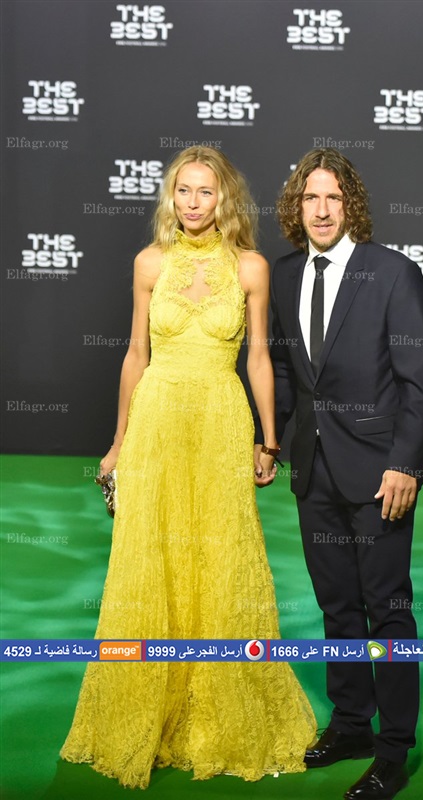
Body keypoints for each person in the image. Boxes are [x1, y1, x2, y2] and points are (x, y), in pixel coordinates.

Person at [60, 146, 316, 789]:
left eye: (205, 191)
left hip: (221, 423)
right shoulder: (150, 262)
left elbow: (259, 357)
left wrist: (268, 440)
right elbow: (135, 354)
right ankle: (150, 710)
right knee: (152, 558)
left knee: (221, 555)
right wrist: (118, 443)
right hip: (157, 423)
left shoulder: (251, 267)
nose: (194, 202)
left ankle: (219, 705)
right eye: (183, 191)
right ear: (170, 198)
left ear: (224, 198)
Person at [256, 148, 423, 800]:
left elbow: (419, 382)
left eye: (333, 197)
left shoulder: (392, 272)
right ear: (296, 206)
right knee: (336, 605)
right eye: (311, 197)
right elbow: (283, 371)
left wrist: (405, 464)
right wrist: (269, 443)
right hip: (314, 471)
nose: (322, 209)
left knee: (386, 608)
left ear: (350, 204)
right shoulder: (282, 275)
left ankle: (393, 749)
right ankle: (353, 725)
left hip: (379, 473)